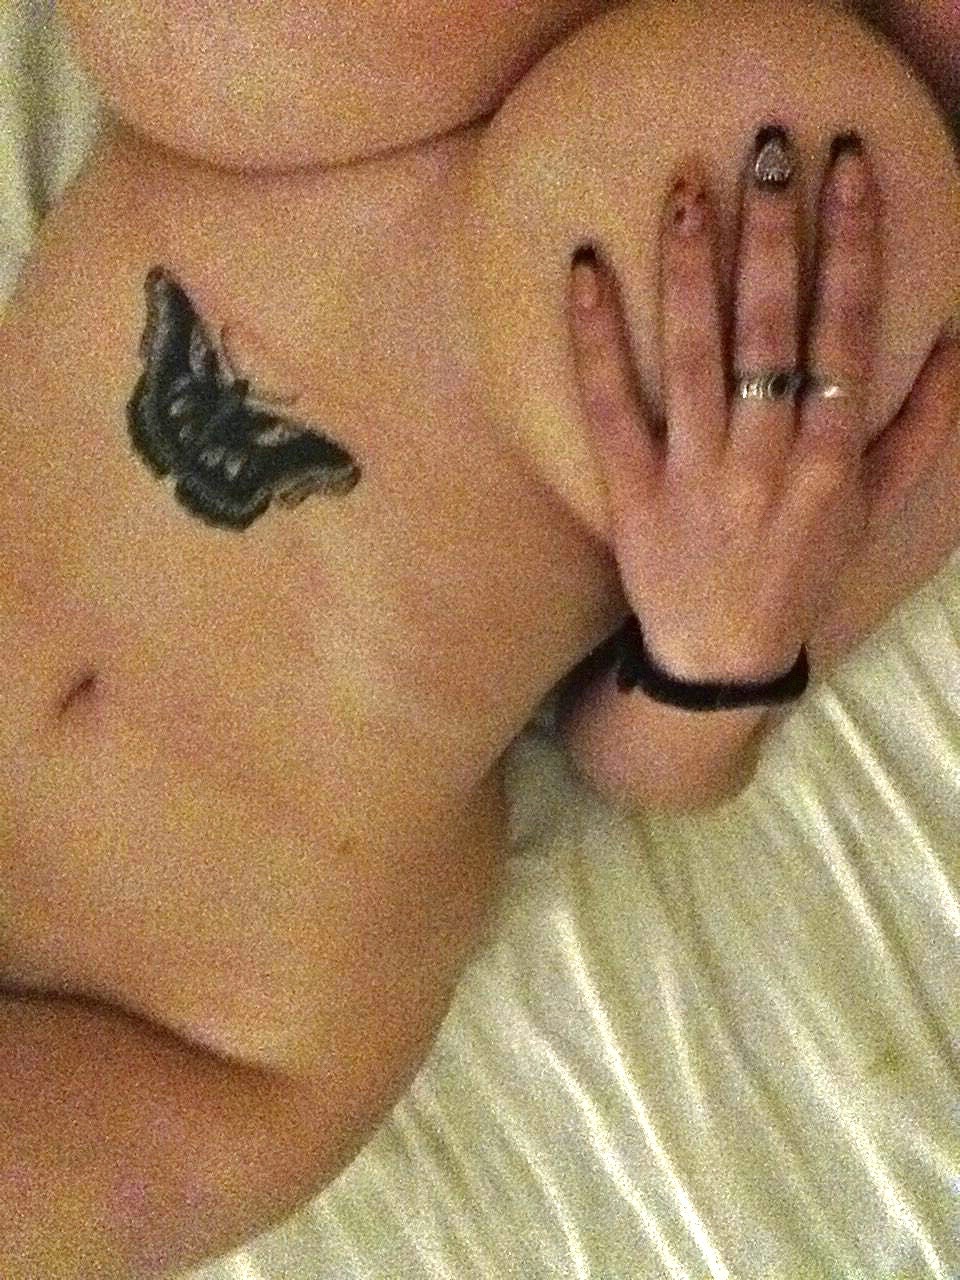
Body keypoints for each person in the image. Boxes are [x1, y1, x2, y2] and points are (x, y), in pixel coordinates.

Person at [1, 0, 958, 1274]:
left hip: (270, 117)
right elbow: (638, 762)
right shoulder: (224, 1085)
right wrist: (720, 651)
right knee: (852, 233)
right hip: (619, 350)